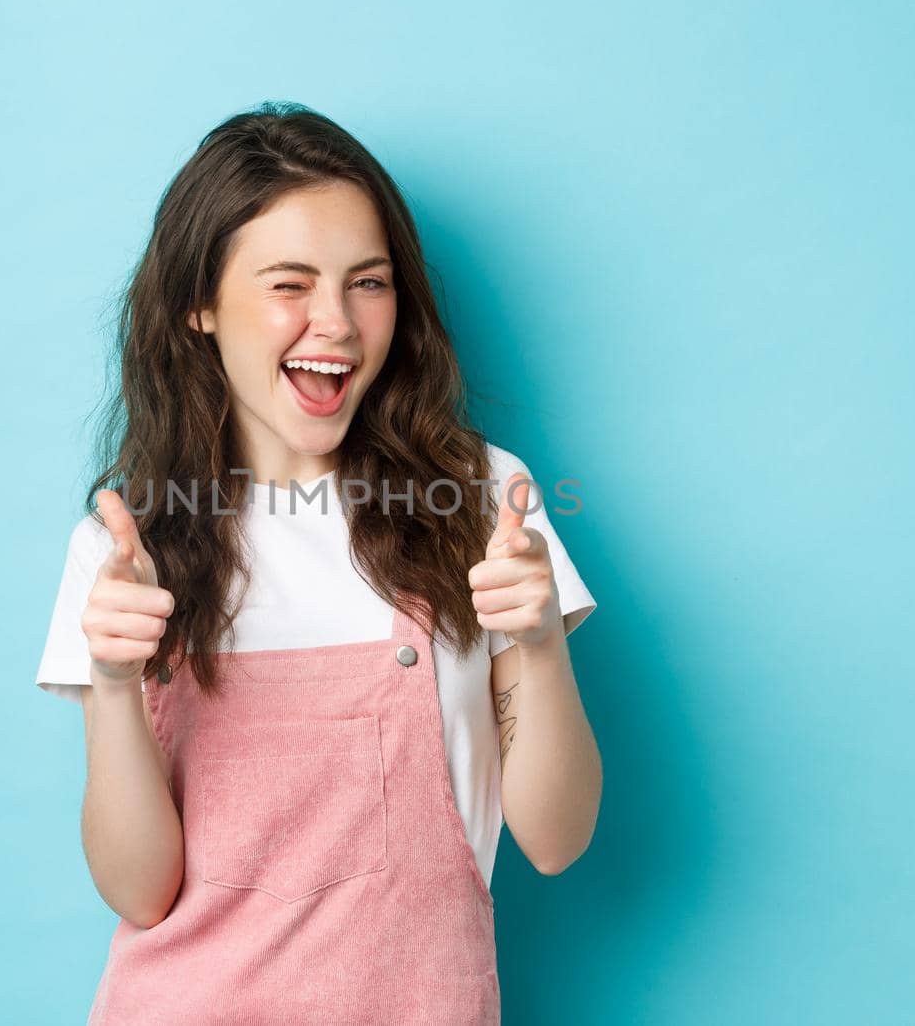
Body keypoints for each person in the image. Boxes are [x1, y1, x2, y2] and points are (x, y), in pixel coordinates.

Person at [34, 101, 601, 1024]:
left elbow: (557, 837)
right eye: (289, 284)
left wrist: (538, 642)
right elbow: (140, 891)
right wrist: (111, 679)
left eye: (367, 282)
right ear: (200, 306)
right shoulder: (128, 546)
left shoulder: (483, 499)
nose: (334, 321)